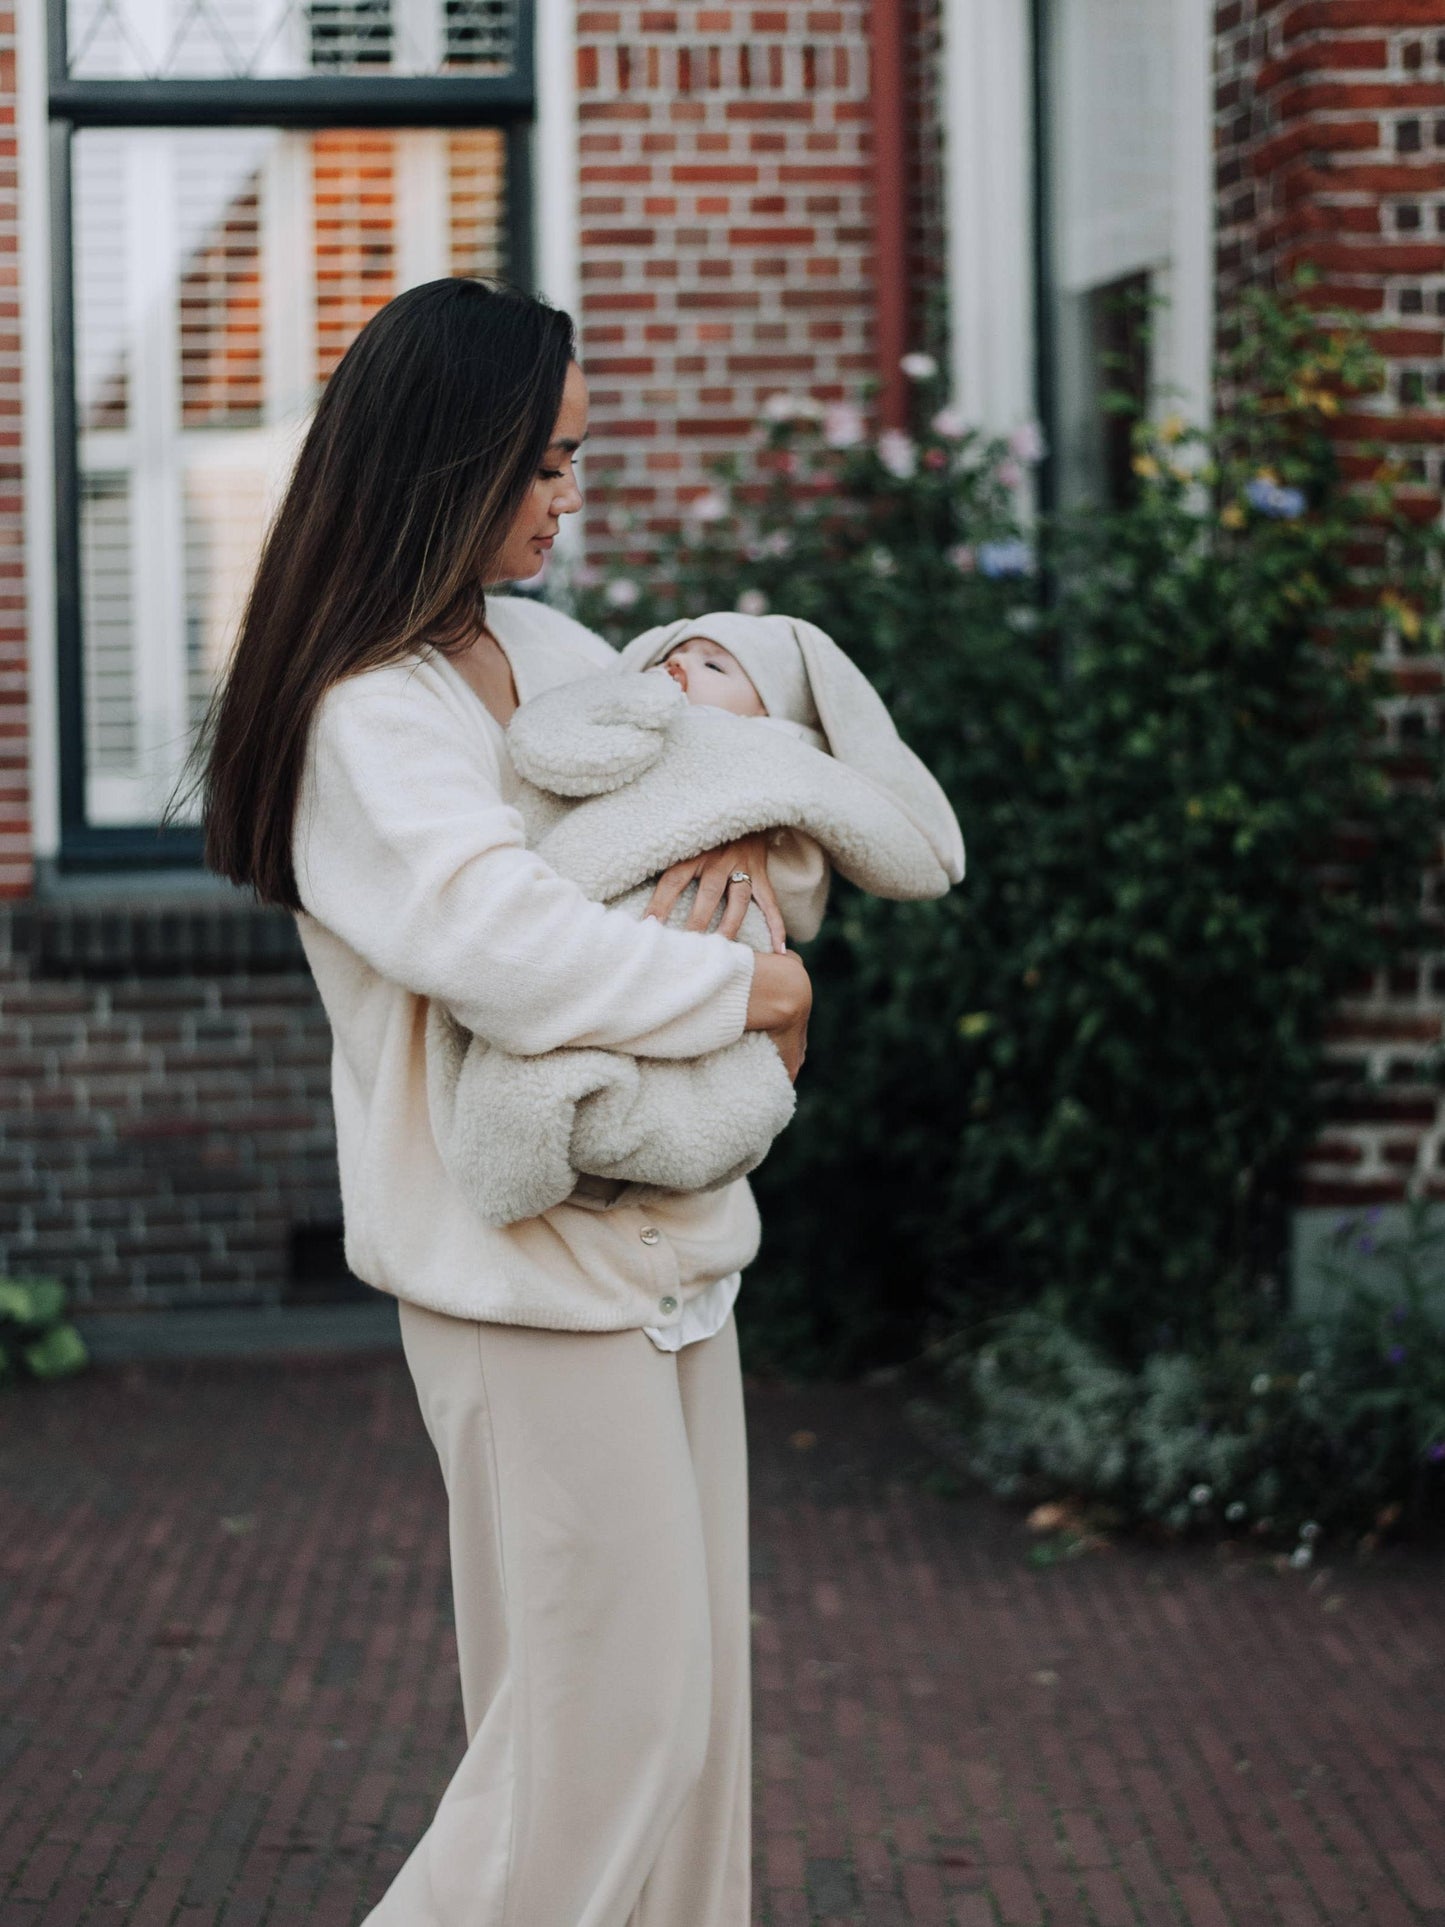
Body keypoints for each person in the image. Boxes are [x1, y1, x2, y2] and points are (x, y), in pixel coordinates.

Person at [200, 277, 814, 1927]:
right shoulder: (362, 711)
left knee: (690, 1751)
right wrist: (747, 995)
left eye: (577, 460)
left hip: (675, 1250)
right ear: (444, 466)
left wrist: (751, 875)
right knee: (608, 1737)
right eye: (543, 465)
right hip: (516, 1282)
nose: (569, 498)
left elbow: (707, 813)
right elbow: (505, 940)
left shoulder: (544, 651)